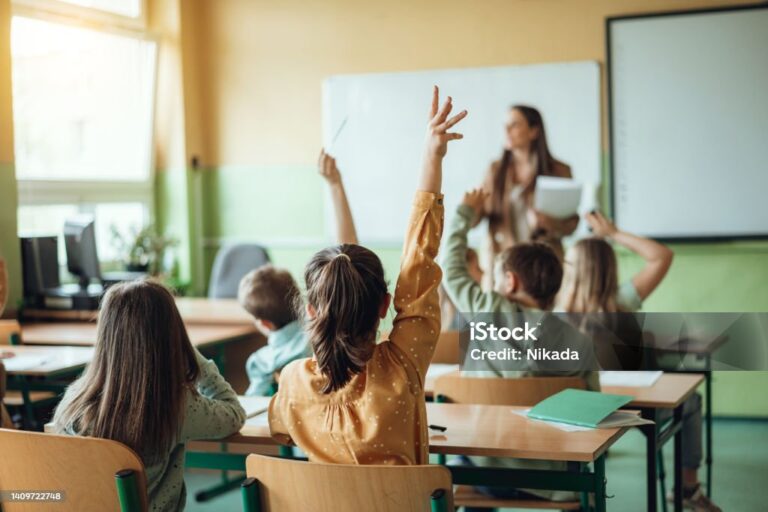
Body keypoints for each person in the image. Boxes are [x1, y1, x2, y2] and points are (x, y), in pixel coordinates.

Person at [268, 86, 467, 464]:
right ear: (385, 306)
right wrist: (431, 155)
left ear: (311, 310)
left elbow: (279, 428)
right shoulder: (402, 368)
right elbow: (418, 261)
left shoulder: (293, 381)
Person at [53, 280, 246, 511]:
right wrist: (191, 355)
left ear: (105, 338)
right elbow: (234, 412)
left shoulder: (72, 402)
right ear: (172, 339)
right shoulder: (175, 407)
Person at [478, 106, 578, 289]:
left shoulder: (558, 171)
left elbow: (571, 225)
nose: (506, 130)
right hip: (503, 263)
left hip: (542, 265)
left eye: (514, 124)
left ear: (534, 131)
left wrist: (548, 222)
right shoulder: (495, 171)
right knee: (500, 317)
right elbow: (479, 214)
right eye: (505, 125)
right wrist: (469, 209)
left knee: (542, 317)